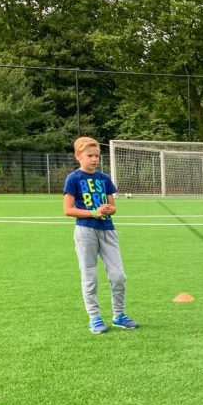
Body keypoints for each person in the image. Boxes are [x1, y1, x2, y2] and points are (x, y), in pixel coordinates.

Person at [63, 136, 139, 334]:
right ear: (78, 156)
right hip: (85, 231)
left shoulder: (104, 179)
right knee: (90, 276)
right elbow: (68, 210)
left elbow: (113, 208)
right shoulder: (73, 179)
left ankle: (119, 315)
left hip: (108, 230)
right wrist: (93, 212)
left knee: (118, 275)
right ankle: (94, 318)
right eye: (90, 155)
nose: (94, 159)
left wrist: (107, 209)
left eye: (97, 155)